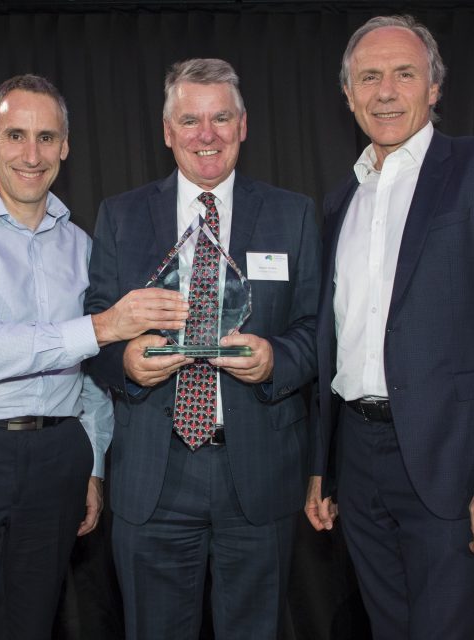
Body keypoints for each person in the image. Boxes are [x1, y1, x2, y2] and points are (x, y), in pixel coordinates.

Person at [0, 74, 188, 640]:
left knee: (30, 627)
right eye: (15, 135)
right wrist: (104, 325)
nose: (32, 155)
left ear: (66, 146)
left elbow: (89, 377)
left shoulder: (84, 245)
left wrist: (92, 464)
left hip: (57, 461)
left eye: (47, 138)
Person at [305, 15, 474, 639]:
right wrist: (324, 466)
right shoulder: (341, 201)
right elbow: (332, 339)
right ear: (348, 95)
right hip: (357, 463)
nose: (385, 90)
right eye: (368, 77)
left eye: (403, 73)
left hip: (454, 461)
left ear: (434, 88)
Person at [84, 58, 321, 639]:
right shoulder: (120, 216)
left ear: (243, 126)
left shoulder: (293, 215)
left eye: (221, 118)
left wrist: (275, 360)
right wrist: (125, 365)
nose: (206, 134)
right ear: (168, 132)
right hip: (153, 475)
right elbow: (93, 329)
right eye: (190, 120)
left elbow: (317, 332)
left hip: (259, 475)